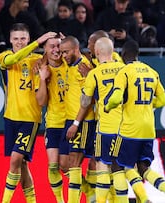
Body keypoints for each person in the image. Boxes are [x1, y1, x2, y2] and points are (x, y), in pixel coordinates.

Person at [105, 40, 165, 203]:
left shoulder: (125, 72)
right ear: (138, 54)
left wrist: (108, 106)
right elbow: (163, 100)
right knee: (143, 168)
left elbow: (116, 98)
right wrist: (147, 104)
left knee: (116, 165)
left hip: (130, 129)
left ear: (123, 55)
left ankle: (133, 200)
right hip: (149, 129)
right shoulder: (152, 72)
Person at [0, 23, 57, 203]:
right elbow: (11, 61)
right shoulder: (4, 57)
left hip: (29, 118)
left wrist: (54, 42)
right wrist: (38, 42)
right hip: (10, 117)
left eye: (23, 38)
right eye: (15, 39)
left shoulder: (38, 61)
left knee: (15, 159)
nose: (19, 42)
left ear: (28, 39)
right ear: (10, 40)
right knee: (22, 164)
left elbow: (55, 52)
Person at [66, 37, 127, 203]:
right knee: (120, 168)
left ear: (98, 52)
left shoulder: (94, 73)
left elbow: (85, 102)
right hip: (125, 127)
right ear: (113, 51)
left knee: (102, 166)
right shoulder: (124, 69)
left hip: (105, 126)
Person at [60, 36, 97, 203]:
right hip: (70, 120)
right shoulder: (71, 64)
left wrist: (76, 124)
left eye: (66, 52)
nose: (63, 56)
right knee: (65, 165)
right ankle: (89, 191)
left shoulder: (83, 68)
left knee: (74, 164)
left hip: (82, 122)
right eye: (61, 52)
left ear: (76, 50)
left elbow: (87, 100)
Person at [35, 34, 70, 203]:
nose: (56, 50)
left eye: (59, 45)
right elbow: (41, 101)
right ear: (45, 49)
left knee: (67, 165)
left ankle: (89, 191)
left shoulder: (71, 64)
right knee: (53, 165)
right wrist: (42, 80)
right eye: (52, 46)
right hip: (54, 123)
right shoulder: (41, 69)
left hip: (72, 122)